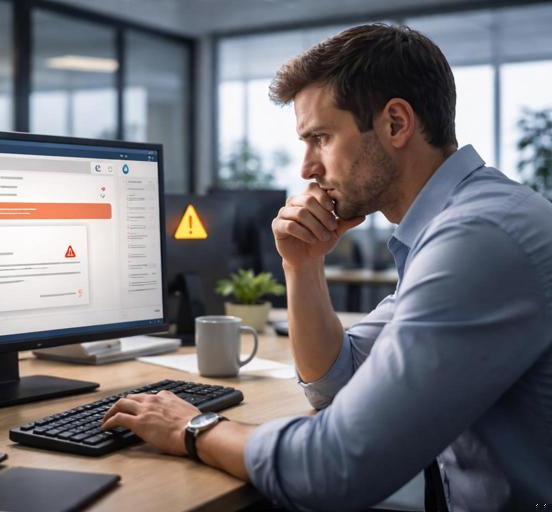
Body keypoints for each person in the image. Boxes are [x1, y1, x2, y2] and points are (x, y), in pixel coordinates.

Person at [101, 23, 552, 510]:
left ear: (396, 123)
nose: (306, 168)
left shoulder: (478, 238)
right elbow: (337, 380)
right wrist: (302, 263)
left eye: (320, 137)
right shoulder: (461, 221)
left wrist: (193, 427)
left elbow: (334, 467)